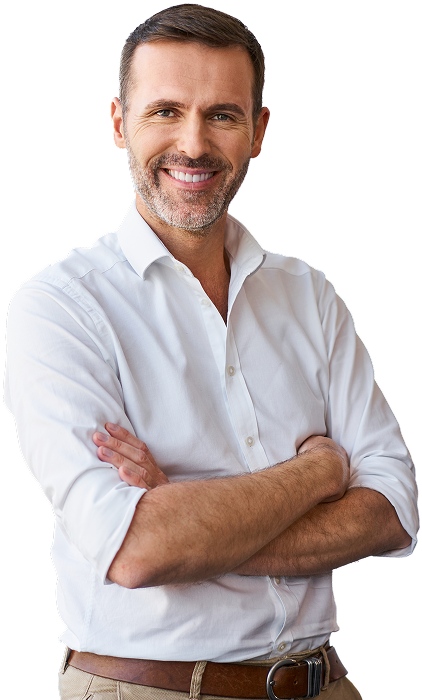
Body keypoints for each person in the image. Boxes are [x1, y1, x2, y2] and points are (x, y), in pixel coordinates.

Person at [3, 5, 418, 700]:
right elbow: (137, 550)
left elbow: (393, 507)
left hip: (325, 683)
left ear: (258, 132)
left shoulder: (309, 295)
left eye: (222, 115)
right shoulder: (60, 308)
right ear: (119, 123)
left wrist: (184, 515)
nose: (193, 145)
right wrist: (318, 471)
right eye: (165, 111)